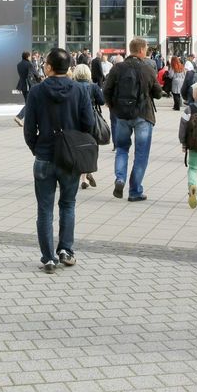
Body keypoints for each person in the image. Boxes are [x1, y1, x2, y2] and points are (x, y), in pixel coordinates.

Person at [23, 47, 94, 273]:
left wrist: (38, 148)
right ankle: (66, 250)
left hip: (44, 155)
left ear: (50, 67)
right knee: (68, 204)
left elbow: (28, 129)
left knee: (44, 210)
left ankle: (48, 257)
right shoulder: (80, 91)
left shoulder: (36, 92)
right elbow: (89, 124)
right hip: (70, 157)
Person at [103, 37, 163, 202]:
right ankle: (135, 190)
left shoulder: (117, 68)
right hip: (143, 115)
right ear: (142, 50)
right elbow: (158, 93)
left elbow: (106, 90)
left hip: (121, 115)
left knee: (122, 149)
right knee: (141, 154)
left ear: (130, 50)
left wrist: (113, 106)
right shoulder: (148, 69)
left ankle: (120, 178)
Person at [71, 64, 102, 189]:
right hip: (91, 120)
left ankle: (79, 174)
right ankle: (85, 176)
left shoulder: (72, 86)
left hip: (74, 120)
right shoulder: (93, 86)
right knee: (90, 147)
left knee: (76, 147)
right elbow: (102, 101)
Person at [14, 51, 39, 126]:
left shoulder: (18, 65)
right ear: (27, 56)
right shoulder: (29, 64)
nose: (30, 57)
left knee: (28, 102)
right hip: (29, 85)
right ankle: (19, 116)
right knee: (29, 104)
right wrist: (40, 78)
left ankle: (29, 120)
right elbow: (35, 74)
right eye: (30, 56)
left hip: (22, 85)